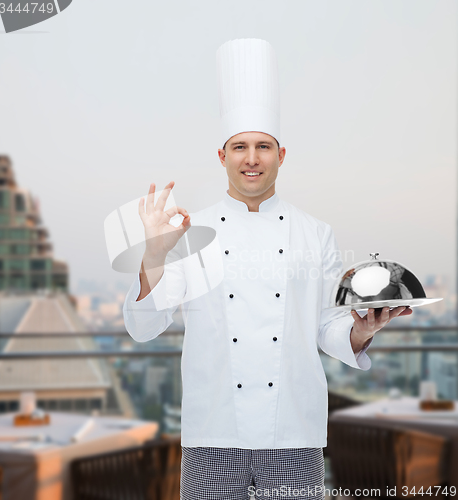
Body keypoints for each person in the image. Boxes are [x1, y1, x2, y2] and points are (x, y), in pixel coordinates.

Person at [123, 39, 412, 500]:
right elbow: (143, 326)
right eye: (239, 147)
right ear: (222, 156)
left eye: (263, 146)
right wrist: (155, 253)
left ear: (281, 154)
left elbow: (327, 325)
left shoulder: (315, 233)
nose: (251, 158)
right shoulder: (191, 231)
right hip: (212, 433)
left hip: (294, 434)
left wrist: (360, 331)